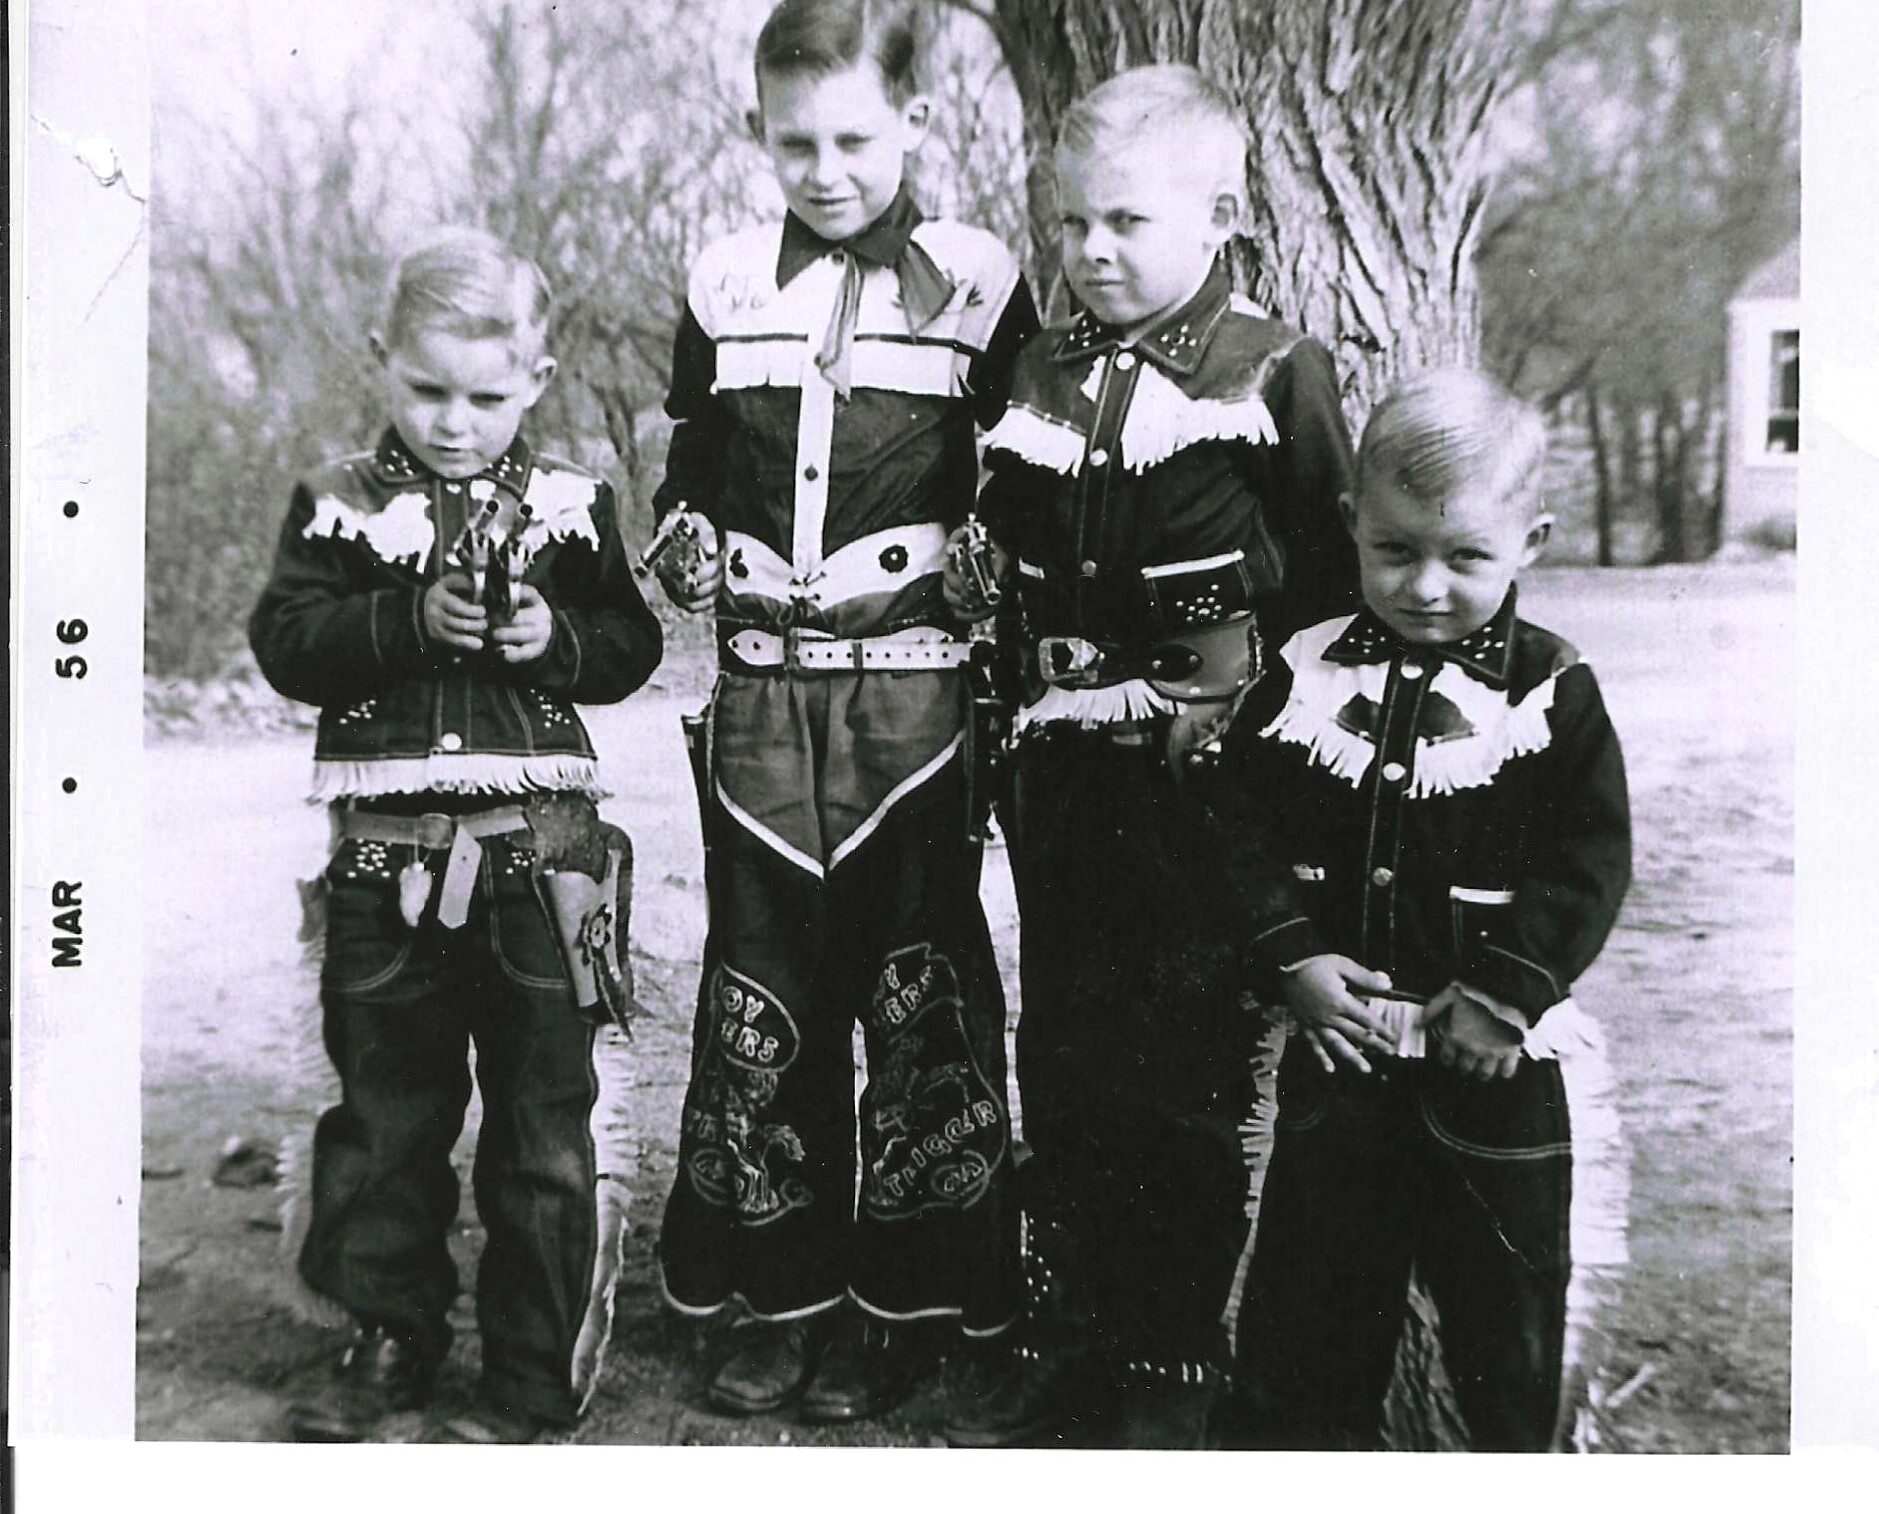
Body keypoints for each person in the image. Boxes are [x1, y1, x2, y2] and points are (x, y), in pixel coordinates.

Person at [943, 64, 1360, 1449]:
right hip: (1061, 777)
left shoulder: (1273, 371)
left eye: (1125, 221)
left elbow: (1328, 596)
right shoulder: (1038, 372)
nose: (1092, 252)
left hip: (1204, 786)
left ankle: (1170, 1355)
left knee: (1185, 1068)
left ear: (1221, 214)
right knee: (1064, 1052)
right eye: (1071, 224)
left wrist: (1287, 777)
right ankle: (1075, 1329)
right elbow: (1007, 561)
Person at [648, 0, 1040, 1424]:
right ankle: (781, 1297)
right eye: (793, 142)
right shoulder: (721, 283)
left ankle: (912, 1305)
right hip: (761, 699)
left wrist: (995, 559)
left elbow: (1018, 470)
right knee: (764, 995)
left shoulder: (980, 283)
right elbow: (691, 455)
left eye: (855, 140)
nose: (824, 171)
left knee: (921, 998)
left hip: (913, 707)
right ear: (758, 131)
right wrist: (685, 531)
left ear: (914, 123)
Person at [249, 227, 664, 1443]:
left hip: (543, 851)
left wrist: (557, 642)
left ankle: (531, 1371)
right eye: (427, 388)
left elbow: (629, 643)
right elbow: (286, 641)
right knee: (385, 1112)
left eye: (486, 397)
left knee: (544, 1118)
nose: (453, 421)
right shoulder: (336, 504)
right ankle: (388, 1332)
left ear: (536, 378)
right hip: (383, 853)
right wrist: (403, 620)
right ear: (381, 357)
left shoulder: (572, 503)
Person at [1220, 367, 1632, 1451]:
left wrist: (1504, 994)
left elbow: (1589, 859)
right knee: (1305, 1323)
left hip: (1493, 1072)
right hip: (1341, 1054)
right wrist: (1293, 957)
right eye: (1394, 550)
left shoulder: (1549, 690)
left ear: (1530, 543)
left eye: (1466, 557)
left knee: (1508, 1331)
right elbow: (1239, 826)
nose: (1426, 587)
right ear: (1349, 523)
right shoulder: (1304, 673)